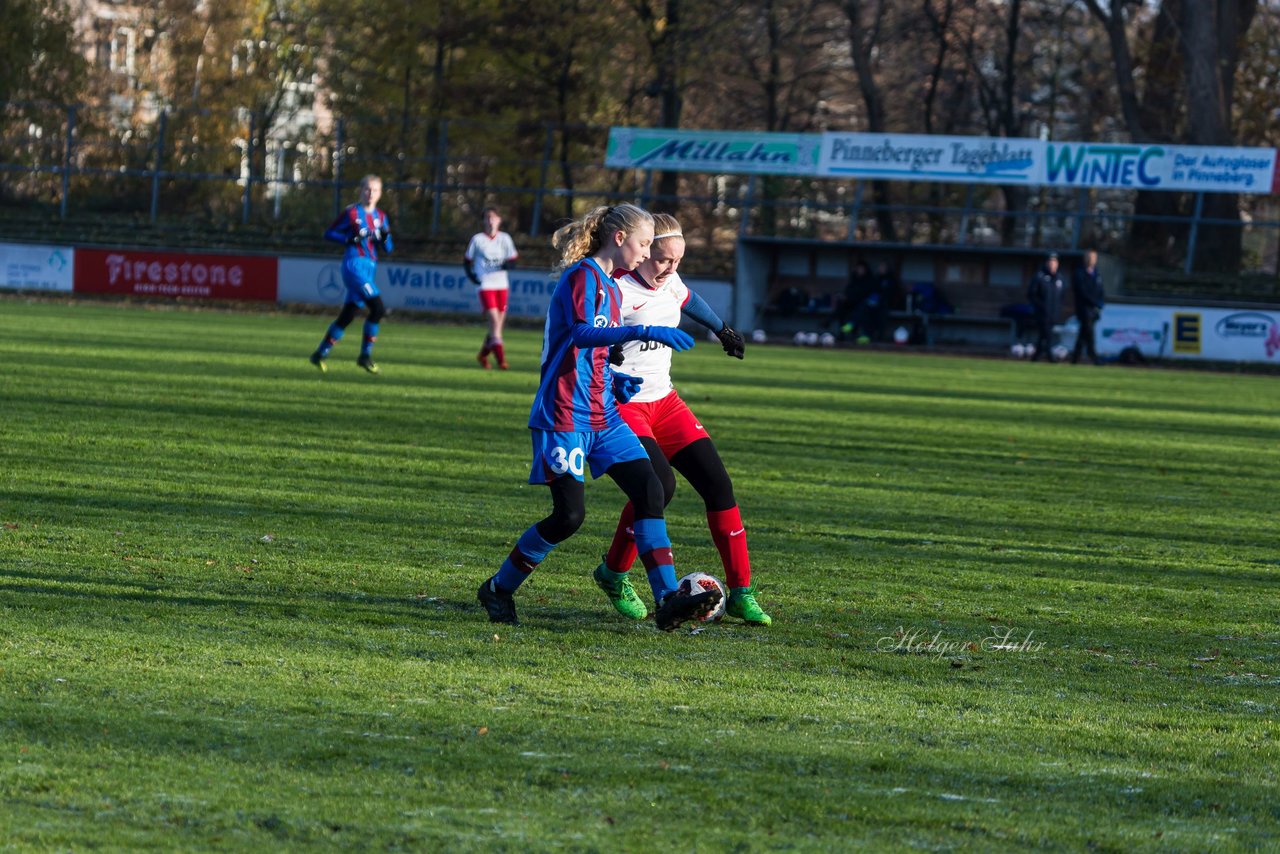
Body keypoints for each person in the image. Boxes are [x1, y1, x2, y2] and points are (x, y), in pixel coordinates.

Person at [477, 204, 721, 630]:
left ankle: (666, 599)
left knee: (652, 488)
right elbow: (581, 334)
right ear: (621, 238)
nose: (648, 255)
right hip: (565, 414)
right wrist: (643, 330)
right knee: (568, 517)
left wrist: (616, 380)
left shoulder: (610, 286)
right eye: (645, 244)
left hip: (603, 413)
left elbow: (598, 351)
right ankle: (499, 587)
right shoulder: (582, 278)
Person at [594, 213, 772, 625]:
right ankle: (615, 574)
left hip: (666, 402)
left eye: (678, 261)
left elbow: (688, 298)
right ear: (640, 251)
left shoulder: (669, 279)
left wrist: (722, 328)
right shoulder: (615, 288)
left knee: (718, 485)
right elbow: (593, 340)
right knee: (659, 487)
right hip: (625, 405)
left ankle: (743, 592)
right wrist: (614, 354)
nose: (671, 269)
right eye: (662, 260)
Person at [311, 175, 392, 374]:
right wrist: (350, 238)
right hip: (354, 265)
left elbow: (389, 248)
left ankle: (319, 354)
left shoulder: (381, 217)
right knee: (378, 308)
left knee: (347, 315)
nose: (370, 193)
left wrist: (384, 237)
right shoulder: (352, 212)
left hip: (370, 267)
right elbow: (328, 233)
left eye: (375, 190)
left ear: (380, 194)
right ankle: (365, 355)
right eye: (367, 189)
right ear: (360, 190)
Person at [464, 207, 519, 369]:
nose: (490, 220)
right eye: (487, 217)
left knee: (496, 328)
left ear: (499, 220)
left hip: (502, 285)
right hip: (485, 285)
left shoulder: (505, 239)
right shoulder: (477, 239)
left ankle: (482, 355)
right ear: (483, 221)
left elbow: (513, 261)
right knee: (495, 323)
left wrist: (506, 265)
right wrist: (472, 276)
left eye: (493, 217)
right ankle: (502, 361)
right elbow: (467, 261)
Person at [1027, 252, 1064, 362]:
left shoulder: (1059, 278)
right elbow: (1032, 294)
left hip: (1053, 313)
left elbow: (1062, 296)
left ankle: (1036, 357)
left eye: (1055, 261)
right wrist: (1041, 307)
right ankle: (1050, 357)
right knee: (1047, 335)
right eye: (1050, 261)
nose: (1053, 264)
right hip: (1042, 313)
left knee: (1043, 336)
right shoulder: (1039, 276)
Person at [1071, 250, 1104, 365]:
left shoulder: (1097, 273)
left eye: (1094, 258)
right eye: (1089, 258)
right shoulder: (1079, 273)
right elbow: (1082, 291)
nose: (1092, 260)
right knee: (1089, 333)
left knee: (1083, 334)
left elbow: (1100, 290)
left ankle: (1075, 357)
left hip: (1093, 309)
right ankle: (1093, 354)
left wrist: (1100, 303)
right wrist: (1094, 302)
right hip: (1084, 309)